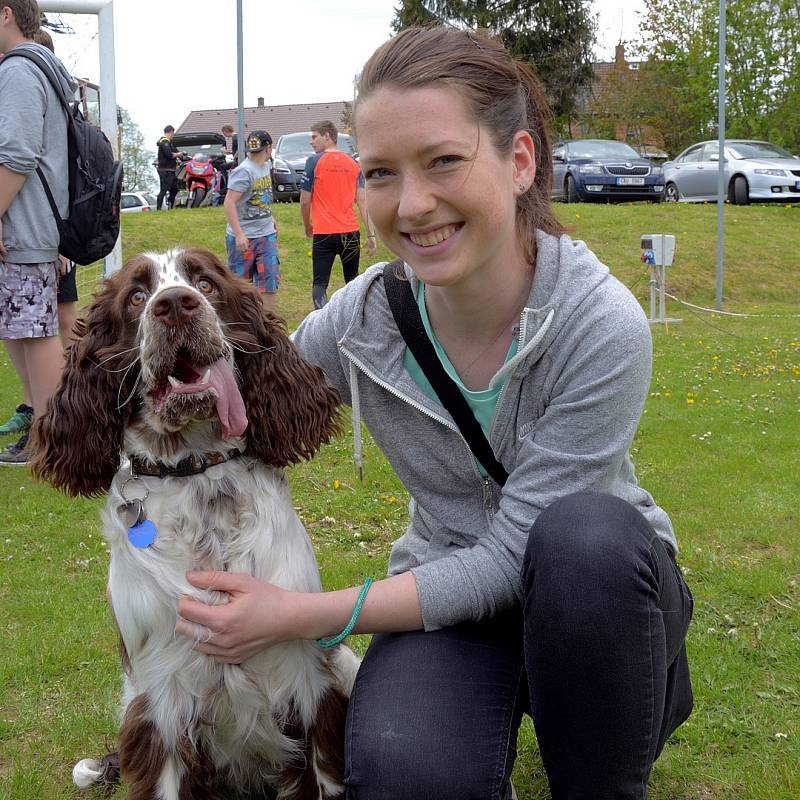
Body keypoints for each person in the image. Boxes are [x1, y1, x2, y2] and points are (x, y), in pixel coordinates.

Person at [173, 27, 693, 799]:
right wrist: (167, 358)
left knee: (583, 538)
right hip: (447, 603)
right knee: (403, 773)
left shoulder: (600, 323)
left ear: (520, 162)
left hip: (597, 601)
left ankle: (613, 737)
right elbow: (249, 398)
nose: (412, 205)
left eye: (444, 161)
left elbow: (512, 556)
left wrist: (299, 614)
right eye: (382, 172)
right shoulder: (362, 320)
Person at [0, 0, 76, 465]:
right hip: (32, 226)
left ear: (5, 13)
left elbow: (18, 155)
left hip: (25, 227)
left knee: (36, 331)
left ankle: (55, 442)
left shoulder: (20, 71)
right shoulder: (41, 65)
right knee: (25, 328)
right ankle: (46, 435)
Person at [300, 119, 376, 309]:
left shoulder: (313, 161)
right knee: (352, 282)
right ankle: (354, 319)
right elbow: (362, 201)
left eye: (314, 136)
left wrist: (307, 224)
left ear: (327, 136)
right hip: (350, 233)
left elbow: (304, 200)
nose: (311, 141)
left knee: (320, 284)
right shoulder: (353, 163)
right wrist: (371, 234)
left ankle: (322, 323)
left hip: (324, 233)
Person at [223, 130, 280, 311]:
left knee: (269, 281)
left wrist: (271, 218)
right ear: (269, 148)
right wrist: (239, 234)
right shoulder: (243, 171)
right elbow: (229, 202)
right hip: (244, 239)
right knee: (241, 285)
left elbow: (262, 197)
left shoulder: (265, 166)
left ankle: (267, 325)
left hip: (266, 234)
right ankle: (244, 325)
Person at [155, 124, 184, 210]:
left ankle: (170, 207)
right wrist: (178, 154)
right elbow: (169, 155)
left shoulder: (169, 143)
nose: (173, 135)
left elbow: (177, 153)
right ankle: (159, 209)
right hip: (164, 170)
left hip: (171, 170)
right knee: (163, 190)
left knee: (174, 189)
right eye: (173, 133)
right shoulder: (164, 142)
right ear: (170, 132)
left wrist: (184, 156)